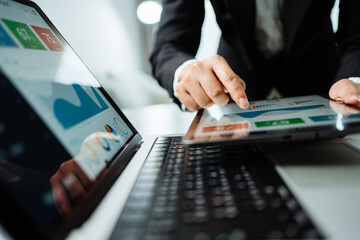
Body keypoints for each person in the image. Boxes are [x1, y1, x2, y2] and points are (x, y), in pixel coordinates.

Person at [150, 0, 360, 111]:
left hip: (325, 92)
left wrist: (354, 79)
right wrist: (186, 72)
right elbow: (170, 45)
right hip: (236, 99)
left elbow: (356, 35)